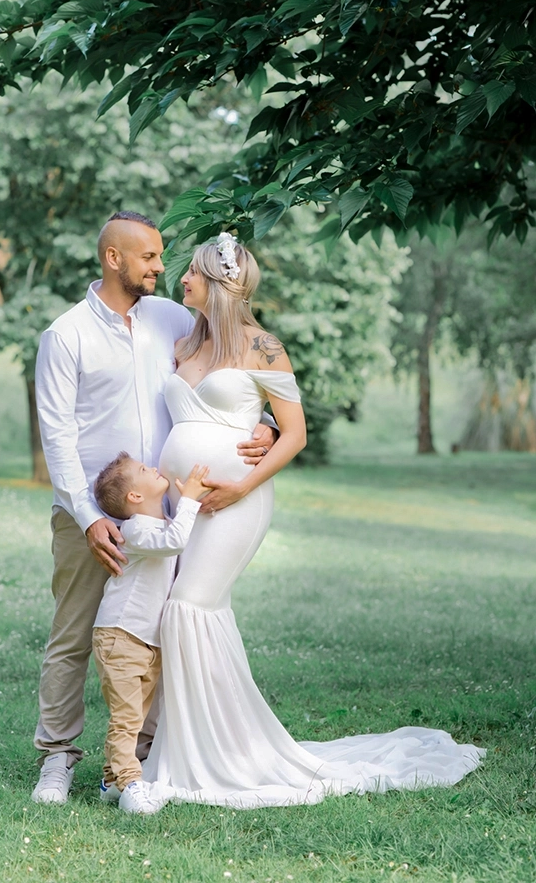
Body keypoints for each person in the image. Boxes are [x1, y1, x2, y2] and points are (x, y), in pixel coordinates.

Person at [130, 232, 484, 812]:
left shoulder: (263, 346)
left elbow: (293, 432)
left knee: (190, 606)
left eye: (192, 272)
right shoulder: (183, 344)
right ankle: (192, 747)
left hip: (238, 502)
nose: (181, 278)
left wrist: (242, 482)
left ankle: (223, 757)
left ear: (218, 285)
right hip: (186, 503)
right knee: (183, 612)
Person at [31, 213, 276, 805]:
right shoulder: (65, 336)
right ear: (115, 259)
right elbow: (57, 437)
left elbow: (232, 371)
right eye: (150, 258)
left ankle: (139, 756)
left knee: (159, 632)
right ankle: (58, 756)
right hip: (91, 516)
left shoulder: (173, 319)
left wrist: (264, 425)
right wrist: (89, 516)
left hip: (168, 515)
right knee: (73, 633)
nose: (162, 268)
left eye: (164, 257)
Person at [91, 455, 210, 814]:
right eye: (144, 471)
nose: (153, 469)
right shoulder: (137, 531)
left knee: (137, 717)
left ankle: (110, 782)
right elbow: (175, 541)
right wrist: (190, 496)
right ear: (135, 498)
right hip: (121, 635)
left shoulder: (158, 523)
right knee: (127, 718)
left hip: (144, 638)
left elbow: (177, 535)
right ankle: (130, 782)